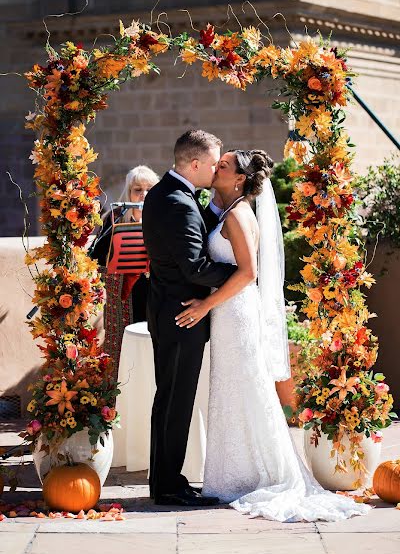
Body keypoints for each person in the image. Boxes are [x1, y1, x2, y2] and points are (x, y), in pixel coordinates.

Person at [175, 149, 371, 522]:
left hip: (235, 311)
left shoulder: (238, 215)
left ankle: (259, 473)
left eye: (225, 165)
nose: (217, 167)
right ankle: (232, 473)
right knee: (233, 389)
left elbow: (248, 273)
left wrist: (204, 305)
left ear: (239, 180)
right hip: (228, 313)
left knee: (246, 388)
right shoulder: (224, 210)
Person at [142, 130, 237, 506]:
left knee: (170, 399)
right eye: (214, 163)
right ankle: (168, 486)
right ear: (194, 163)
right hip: (183, 315)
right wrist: (243, 275)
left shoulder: (167, 193)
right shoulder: (178, 202)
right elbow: (196, 267)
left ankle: (165, 480)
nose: (216, 170)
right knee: (175, 401)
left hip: (170, 311)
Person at [90, 165, 159, 376]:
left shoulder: (163, 219)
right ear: (129, 192)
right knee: (126, 356)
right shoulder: (115, 218)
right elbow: (96, 257)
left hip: (155, 295)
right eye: (138, 189)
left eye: (149, 189)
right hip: (124, 298)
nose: (144, 194)